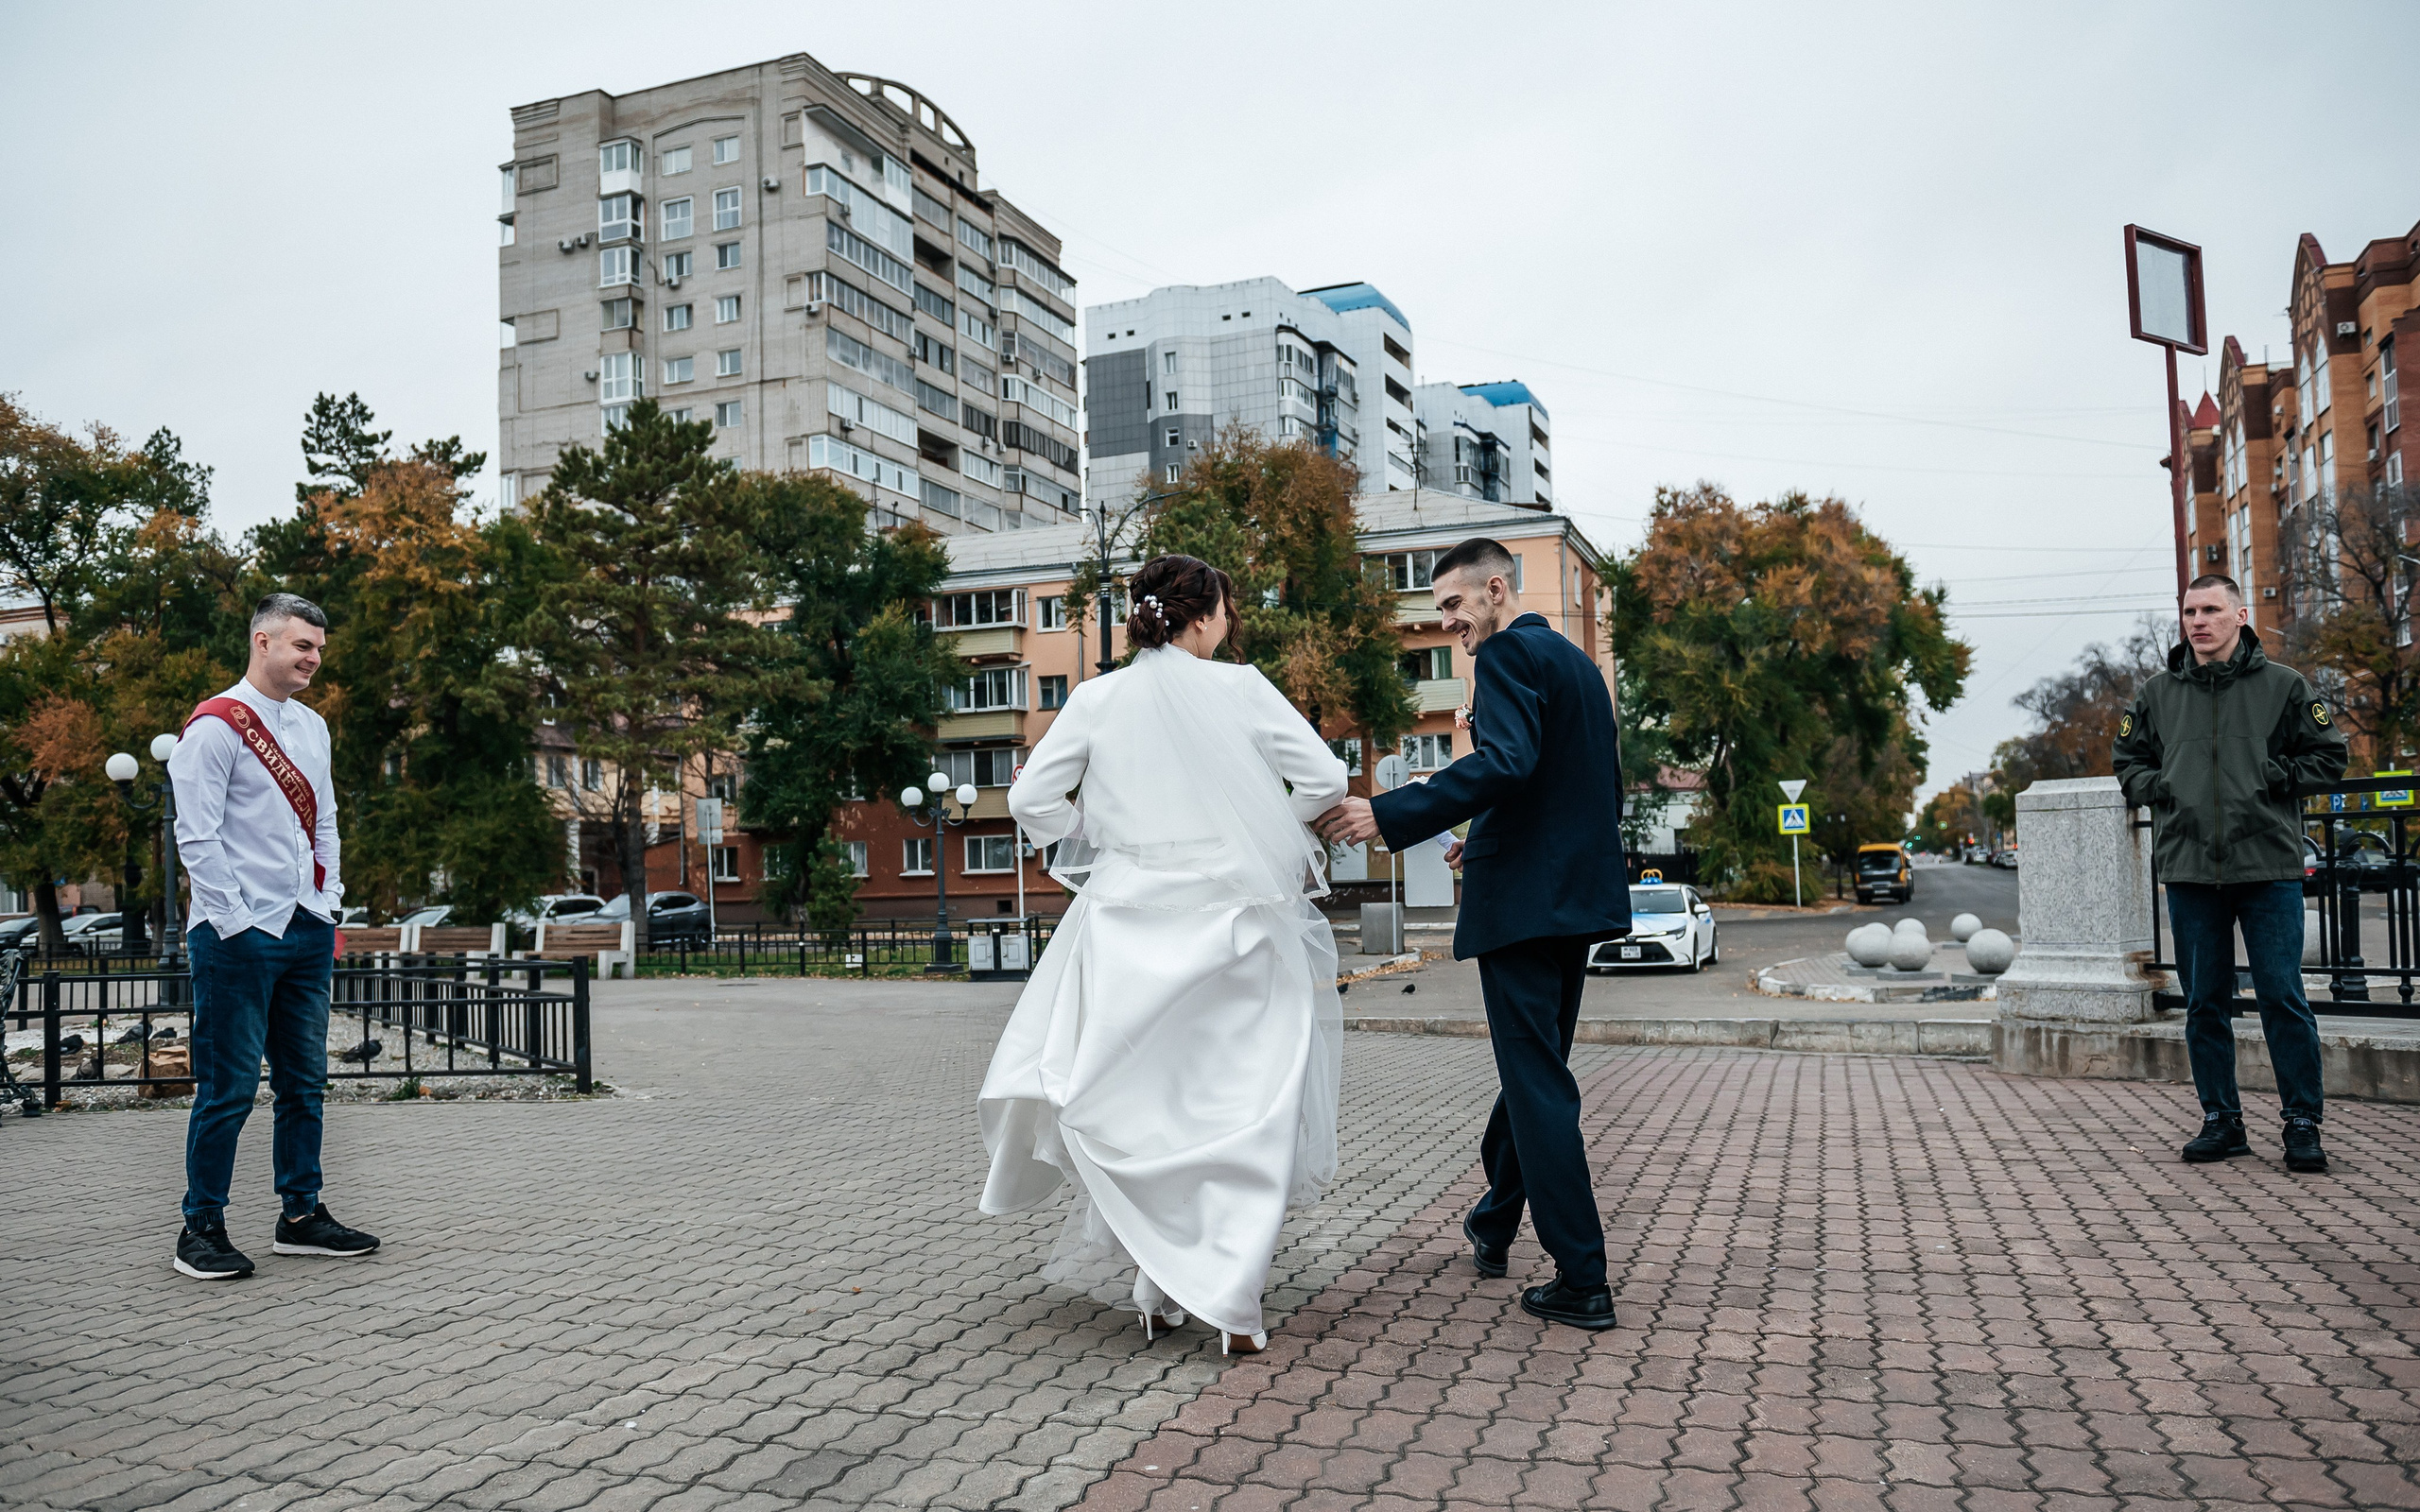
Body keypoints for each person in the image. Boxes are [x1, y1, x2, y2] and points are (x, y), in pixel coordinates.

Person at [978, 555, 1349, 1355]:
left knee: (1149, 1110)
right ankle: (1233, 1303)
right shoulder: (1242, 689)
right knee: (1247, 1108)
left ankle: (1158, 1283)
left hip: (1126, 923)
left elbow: (1031, 798)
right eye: (1227, 608)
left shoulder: (1097, 698)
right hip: (1237, 927)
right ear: (1206, 614)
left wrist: (1094, 833)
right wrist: (1269, 828)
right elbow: (1324, 778)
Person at [1316, 537, 1629, 1332]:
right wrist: (1484, 835)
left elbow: (1508, 761)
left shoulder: (1504, 657)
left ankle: (1583, 1279)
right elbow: (1588, 784)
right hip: (1575, 898)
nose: (1448, 621)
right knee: (1536, 1072)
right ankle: (1494, 1219)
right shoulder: (1579, 667)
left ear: (1496, 589)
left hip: (1523, 908)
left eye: (1454, 604)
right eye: (1440, 610)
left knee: (1537, 1085)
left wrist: (1389, 813)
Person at [169, 593, 380, 1280]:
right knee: (228, 1089)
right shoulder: (215, 727)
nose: (314, 658)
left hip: (306, 926)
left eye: (319, 648)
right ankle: (201, 1228)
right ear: (263, 642)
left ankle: (301, 1216)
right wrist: (234, 922)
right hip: (237, 934)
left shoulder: (313, 727)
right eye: (302, 646)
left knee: (304, 1085)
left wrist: (328, 902)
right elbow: (197, 837)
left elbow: (326, 822)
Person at [2114, 573, 2346, 1173]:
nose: (2199, 621)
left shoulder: (2284, 686)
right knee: (2205, 1003)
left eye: (2211, 610)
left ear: (2240, 616)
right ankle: (2222, 1120)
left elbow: (2330, 756)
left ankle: (2302, 1123)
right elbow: (2128, 762)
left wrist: (2275, 776)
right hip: (2191, 869)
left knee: (2282, 998)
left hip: (2267, 866)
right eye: (2190, 611)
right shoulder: (2156, 694)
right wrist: (2165, 785)